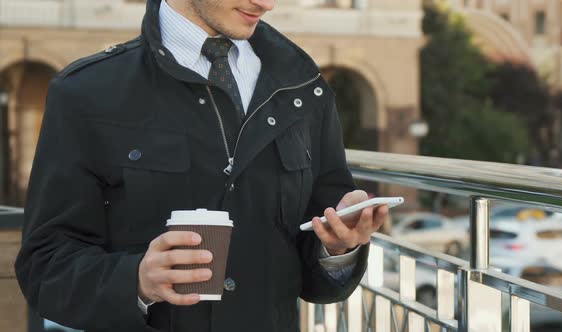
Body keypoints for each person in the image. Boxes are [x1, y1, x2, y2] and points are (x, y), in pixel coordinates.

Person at [14, 0, 390, 331]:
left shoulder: (304, 87)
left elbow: (317, 274)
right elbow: (45, 266)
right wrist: (137, 282)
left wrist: (339, 249)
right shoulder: (86, 92)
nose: (268, 4)